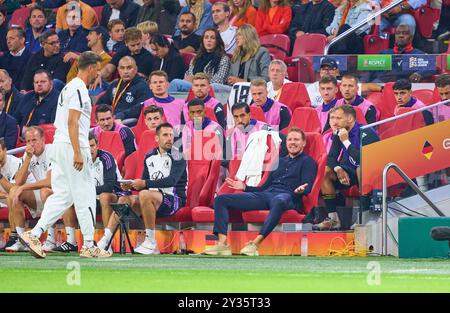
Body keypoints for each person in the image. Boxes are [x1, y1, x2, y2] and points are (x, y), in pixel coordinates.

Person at [19, 51, 111, 259]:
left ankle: (35, 233)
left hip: (60, 145)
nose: (98, 72)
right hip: (73, 145)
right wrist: (78, 151)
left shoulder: (68, 87)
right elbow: (72, 121)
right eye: (97, 68)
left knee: (63, 195)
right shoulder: (79, 88)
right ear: (90, 68)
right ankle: (88, 244)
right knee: (85, 193)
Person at [204, 127, 316, 256]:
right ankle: (222, 244)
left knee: (279, 200)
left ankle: (255, 244)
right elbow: (264, 187)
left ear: (303, 143)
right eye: (290, 139)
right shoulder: (279, 161)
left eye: (296, 139)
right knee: (221, 199)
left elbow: (308, 185)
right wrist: (245, 187)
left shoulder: (308, 162)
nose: (292, 142)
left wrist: (302, 189)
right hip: (267, 194)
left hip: (289, 196)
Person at [96, 122, 187, 255]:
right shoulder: (149, 156)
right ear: (157, 138)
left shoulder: (178, 155)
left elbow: (171, 181)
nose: (169, 138)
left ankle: (151, 242)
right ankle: (106, 241)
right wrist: (132, 185)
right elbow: (145, 182)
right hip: (151, 199)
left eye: (171, 135)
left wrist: (143, 184)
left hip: (173, 200)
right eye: (165, 135)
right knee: (124, 199)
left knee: (145, 194)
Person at [5, 126, 77, 253]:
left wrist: (24, 187)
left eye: (34, 140)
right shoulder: (28, 155)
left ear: (43, 139)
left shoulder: (52, 151)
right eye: (28, 141)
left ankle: (52, 240)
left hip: (63, 192)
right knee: (13, 191)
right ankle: (21, 240)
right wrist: (27, 158)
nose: (31, 144)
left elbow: (50, 182)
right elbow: (18, 182)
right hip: (43, 195)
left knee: (45, 191)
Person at [317, 105, 378, 230]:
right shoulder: (339, 132)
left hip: (372, 172)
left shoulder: (366, 131)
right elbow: (331, 158)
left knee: (361, 169)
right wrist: (338, 169)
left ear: (350, 118)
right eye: (332, 118)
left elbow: (362, 160)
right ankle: (333, 219)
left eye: (338, 118)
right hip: (350, 171)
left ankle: (363, 216)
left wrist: (345, 141)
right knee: (325, 171)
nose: (334, 122)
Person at [169, 28, 231, 92]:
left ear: (217, 41)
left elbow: (219, 81)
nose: (209, 40)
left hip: (209, 88)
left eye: (212, 38)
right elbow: (188, 75)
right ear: (203, 41)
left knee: (176, 83)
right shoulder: (196, 58)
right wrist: (191, 79)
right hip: (194, 85)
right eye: (206, 37)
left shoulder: (223, 59)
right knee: (175, 82)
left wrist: (198, 80)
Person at [97, 56, 153, 122]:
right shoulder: (115, 84)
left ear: (135, 69)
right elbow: (102, 102)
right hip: (111, 119)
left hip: (128, 121)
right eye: (122, 68)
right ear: (118, 70)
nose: (125, 71)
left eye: (129, 68)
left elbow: (140, 108)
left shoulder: (143, 86)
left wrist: (121, 115)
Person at [89, 133, 122, 236]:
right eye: (87, 147)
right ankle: (72, 240)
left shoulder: (106, 158)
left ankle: (106, 241)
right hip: (92, 198)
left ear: (97, 145)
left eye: (92, 146)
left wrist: (87, 191)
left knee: (104, 196)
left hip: (115, 195)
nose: (90, 150)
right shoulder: (81, 160)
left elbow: (109, 186)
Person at [66, 25, 112, 95]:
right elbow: (70, 77)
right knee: (56, 82)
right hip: (74, 88)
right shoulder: (82, 57)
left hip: (91, 91)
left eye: (90, 34)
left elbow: (93, 79)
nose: (87, 37)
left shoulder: (107, 59)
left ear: (99, 36)